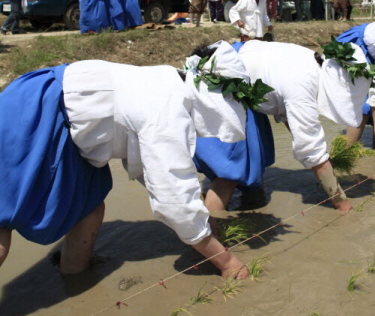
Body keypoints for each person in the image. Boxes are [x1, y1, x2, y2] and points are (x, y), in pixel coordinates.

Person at [0, 42, 252, 279]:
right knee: (3, 218)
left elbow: (154, 170)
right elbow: (173, 199)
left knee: (88, 208)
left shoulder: (171, 81)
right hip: (37, 112)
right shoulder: (168, 110)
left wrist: (203, 218)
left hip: (68, 124)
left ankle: (74, 279)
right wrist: (227, 262)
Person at [198, 39, 358, 215]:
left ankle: (247, 203)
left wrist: (322, 164)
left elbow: (293, 119)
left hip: (236, 71)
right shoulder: (303, 85)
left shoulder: (310, 60)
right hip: (223, 80)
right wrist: (342, 204)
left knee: (255, 157)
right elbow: (310, 147)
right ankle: (210, 229)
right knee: (232, 168)